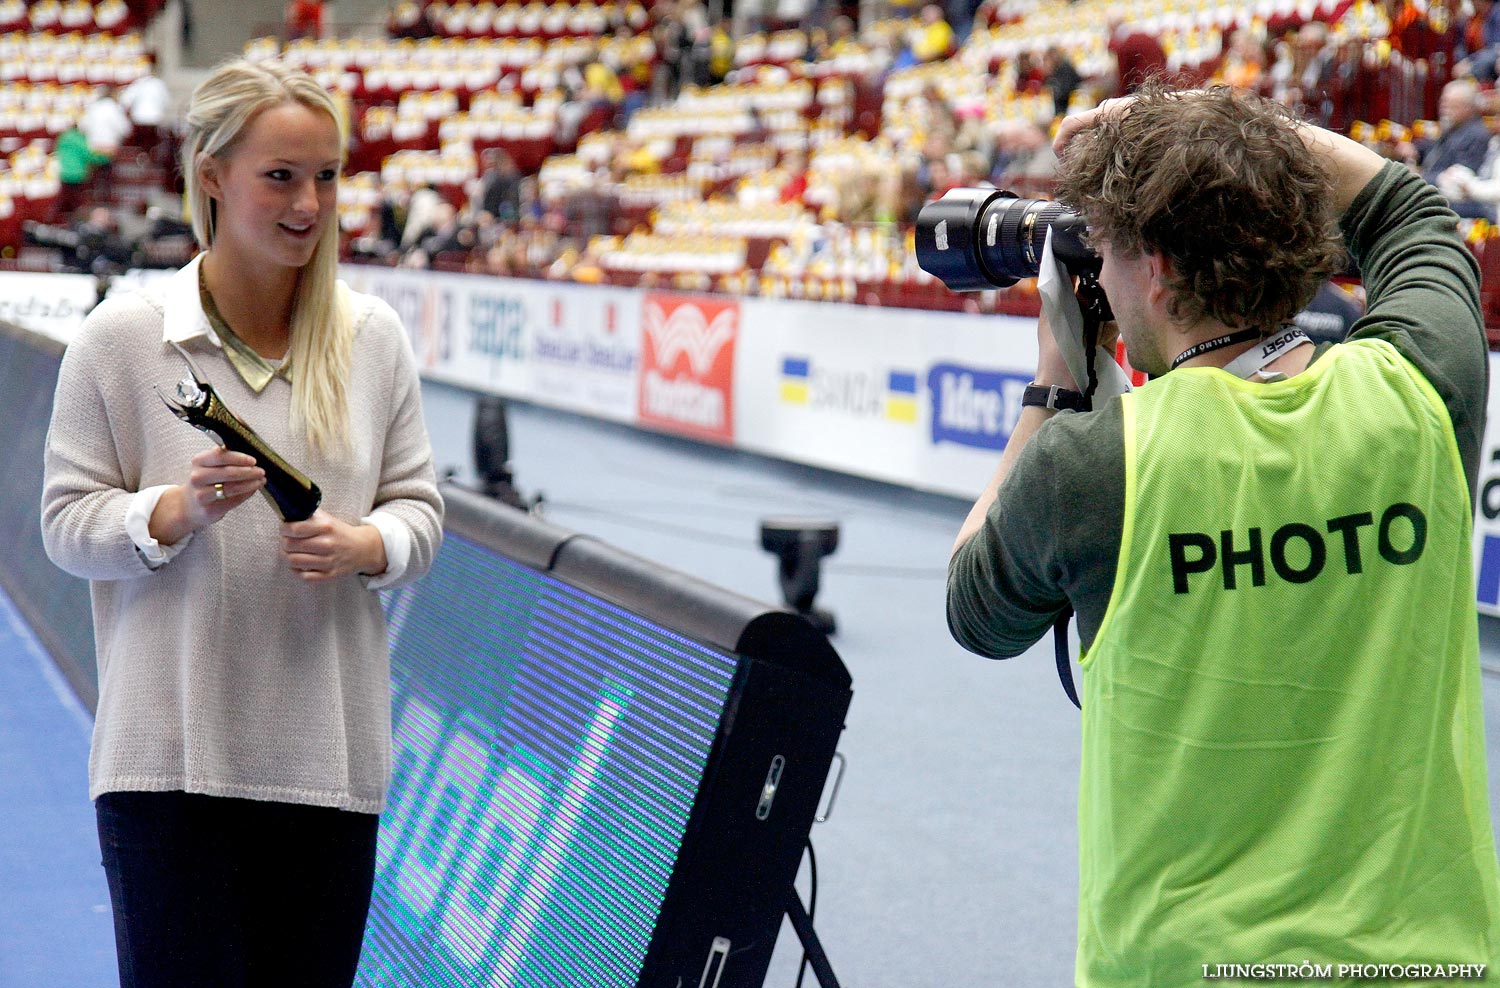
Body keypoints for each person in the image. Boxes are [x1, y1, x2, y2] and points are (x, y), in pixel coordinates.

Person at [947, 84, 1500, 985]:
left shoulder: (1091, 467)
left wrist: (1054, 383)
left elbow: (977, 609)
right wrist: (1225, 129)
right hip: (1430, 961)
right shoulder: (1420, 390)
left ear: (1156, 270)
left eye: (1111, 251)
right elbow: (1403, 206)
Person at [40, 58, 444, 987]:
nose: (309, 203)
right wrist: (170, 512)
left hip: (325, 769)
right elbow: (65, 525)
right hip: (166, 773)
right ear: (212, 175)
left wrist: (369, 543)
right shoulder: (122, 338)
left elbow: (419, 508)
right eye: (281, 176)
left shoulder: (372, 338)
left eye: (328, 176)